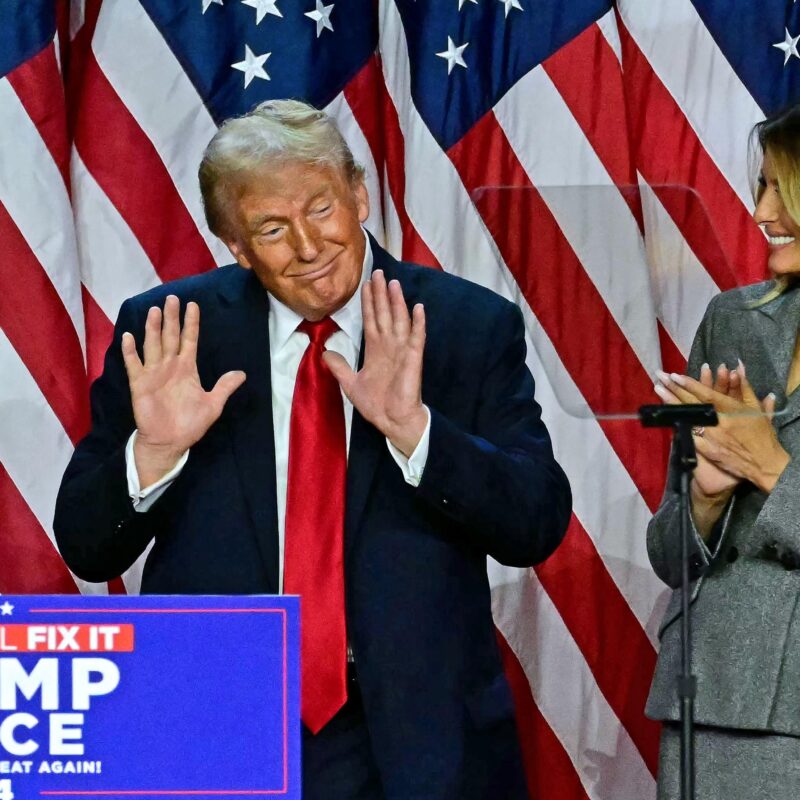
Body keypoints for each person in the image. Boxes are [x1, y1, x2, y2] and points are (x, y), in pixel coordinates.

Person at [54, 100, 571, 800]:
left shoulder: (463, 325)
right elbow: (88, 545)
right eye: (271, 228)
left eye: (321, 207)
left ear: (358, 194)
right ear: (235, 245)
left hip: (418, 733)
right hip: (216, 719)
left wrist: (418, 432)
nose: (307, 244)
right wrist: (153, 454)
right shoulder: (173, 332)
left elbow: (535, 522)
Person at [649, 103, 800, 800]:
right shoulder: (732, 320)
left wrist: (770, 468)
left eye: (781, 187)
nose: (762, 208)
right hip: (711, 695)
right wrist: (705, 498)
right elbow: (668, 554)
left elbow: (771, 468)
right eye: (761, 185)